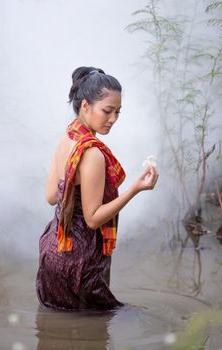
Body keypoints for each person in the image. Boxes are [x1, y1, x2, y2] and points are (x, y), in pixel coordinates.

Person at [36, 66, 159, 311]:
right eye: (107, 111)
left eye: (118, 112)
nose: (113, 119)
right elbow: (92, 220)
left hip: (52, 251)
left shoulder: (68, 138)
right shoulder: (92, 154)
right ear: (85, 106)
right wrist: (135, 188)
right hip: (80, 261)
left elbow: (51, 197)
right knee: (99, 328)